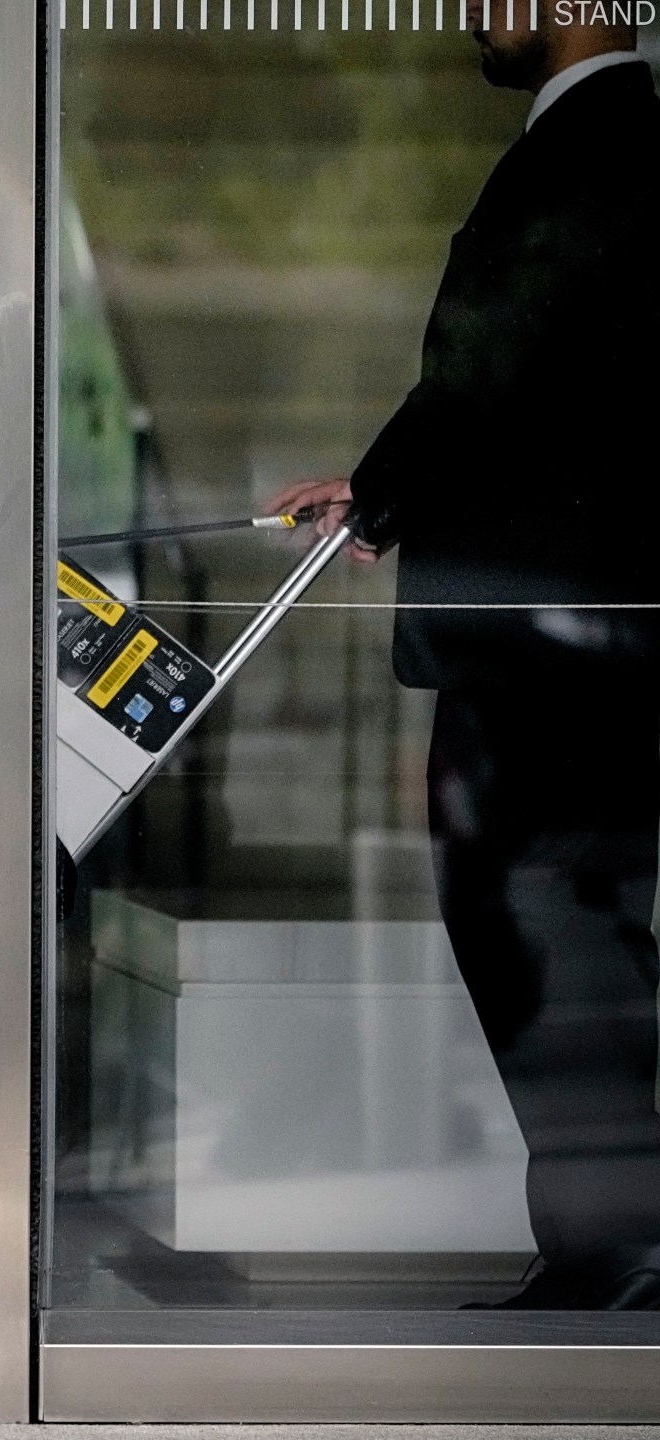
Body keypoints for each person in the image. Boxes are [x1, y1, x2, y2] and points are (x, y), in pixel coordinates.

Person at [269, 8, 660, 1311]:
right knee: (560, 931)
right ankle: (611, 1241)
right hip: (571, 634)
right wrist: (384, 491)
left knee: (541, 933)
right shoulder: (607, 144)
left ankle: (620, 1248)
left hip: (544, 647)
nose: (472, 16)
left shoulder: (595, 145)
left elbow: (502, 359)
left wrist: (388, 490)